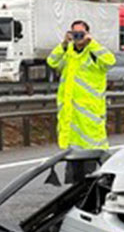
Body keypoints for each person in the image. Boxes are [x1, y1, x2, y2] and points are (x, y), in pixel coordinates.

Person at [47, 20, 116, 151]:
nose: (78, 37)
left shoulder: (93, 53)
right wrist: (64, 44)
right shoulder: (68, 54)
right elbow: (52, 61)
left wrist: (92, 43)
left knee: (90, 167)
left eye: (81, 33)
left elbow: (110, 61)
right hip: (71, 123)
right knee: (72, 169)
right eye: (75, 33)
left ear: (87, 34)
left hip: (90, 120)